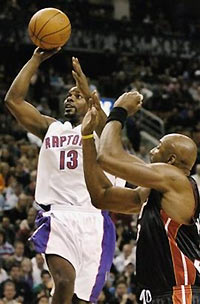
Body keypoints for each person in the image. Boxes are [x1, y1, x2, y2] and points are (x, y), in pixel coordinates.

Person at [4, 47, 119, 304]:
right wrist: (36, 59)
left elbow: (104, 123)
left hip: (95, 220)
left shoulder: (101, 131)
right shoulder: (52, 128)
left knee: (80, 299)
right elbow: (14, 101)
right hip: (59, 216)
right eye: (68, 95)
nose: (69, 98)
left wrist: (88, 93)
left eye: (76, 96)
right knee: (64, 281)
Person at [81, 91, 200, 303]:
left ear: (171, 159)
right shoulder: (156, 189)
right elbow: (101, 197)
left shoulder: (175, 179)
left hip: (180, 293)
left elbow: (108, 157)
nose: (152, 151)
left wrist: (119, 111)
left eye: (158, 147)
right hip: (158, 294)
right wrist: (87, 137)